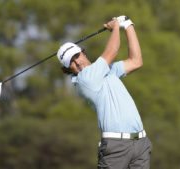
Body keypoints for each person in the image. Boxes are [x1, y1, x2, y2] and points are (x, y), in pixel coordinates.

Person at [57, 16, 152, 169]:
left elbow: (136, 61)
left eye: (77, 56)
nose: (77, 63)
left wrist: (128, 25)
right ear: (68, 69)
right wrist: (115, 27)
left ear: (83, 52)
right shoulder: (84, 80)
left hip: (140, 143)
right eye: (71, 63)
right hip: (116, 147)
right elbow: (112, 50)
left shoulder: (107, 70)